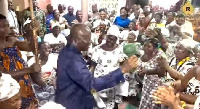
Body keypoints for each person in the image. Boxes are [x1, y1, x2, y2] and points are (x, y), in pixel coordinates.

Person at [55, 24, 138, 109]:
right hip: (73, 103)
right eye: (87, 38)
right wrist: (122, 70)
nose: (90, 41)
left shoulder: (70, 52)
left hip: (83, 97)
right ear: (76, 40)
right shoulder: (72, 59)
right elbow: (91, 84)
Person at [0, 14, 42, 109]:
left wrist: (32, 32)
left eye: (7, 25)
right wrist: (30, 70)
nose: (7, 29)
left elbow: (31, 47)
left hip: (25, 84)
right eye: (3, 27)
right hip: (10, 91)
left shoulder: (12, 41)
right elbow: (4, 75)